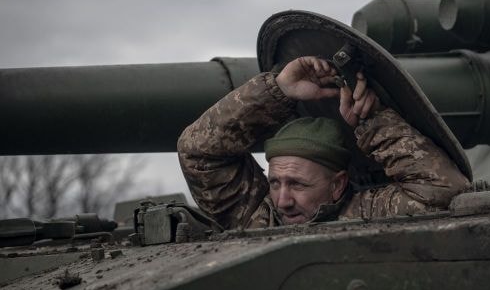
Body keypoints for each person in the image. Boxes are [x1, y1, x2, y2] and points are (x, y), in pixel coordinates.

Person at [177, 56, 469, 229]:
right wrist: (278, 91)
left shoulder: (370, 215)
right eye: (276, 182)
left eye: (298, 184)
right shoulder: (256, 215)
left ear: (338, 184)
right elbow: (198, 151)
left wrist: (374, 122)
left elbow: (443, 191)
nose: (282, 201)